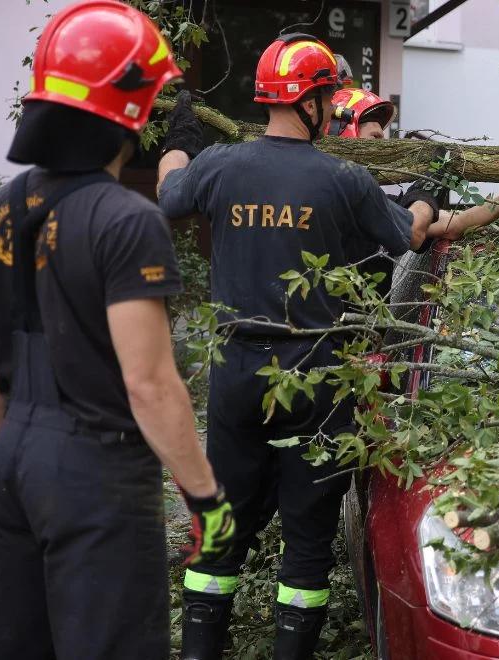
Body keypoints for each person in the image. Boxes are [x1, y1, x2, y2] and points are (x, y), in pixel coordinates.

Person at [156, 35, 437, 659]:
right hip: (320, 375)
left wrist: (181, 136)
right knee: (306, 542)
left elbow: (169, 191)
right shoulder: (345, 178)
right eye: (329, 95)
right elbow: (412, 235)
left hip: (236, 374)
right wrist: (426, 187)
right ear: (313, 101)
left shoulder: (221, 164)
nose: (334, 106)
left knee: (220, 531)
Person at [0, 2, 235, 658]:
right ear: (133, 108)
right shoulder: (126, 220)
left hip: (11, 464)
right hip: (97, 477)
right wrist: (205, 497)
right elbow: (149, 383)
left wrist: (29, 451)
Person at [327, 86, 499, 289]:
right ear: (346, 137)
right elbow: (416, 230)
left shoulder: (382, 206)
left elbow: (457, 223)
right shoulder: (323, 199)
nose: (384, 147)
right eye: (375, 139)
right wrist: (426, 190)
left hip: (369, 342)